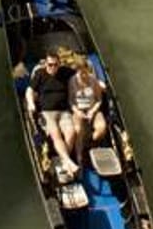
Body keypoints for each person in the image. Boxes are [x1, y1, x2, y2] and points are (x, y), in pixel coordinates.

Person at [25, 48, 79, 178]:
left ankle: (65, 162)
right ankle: (68, 162)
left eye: (55, 65)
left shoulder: (65, 72)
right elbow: (29, 91)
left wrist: (97, 82)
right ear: (46, 64)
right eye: (50, 65)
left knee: (71, 133)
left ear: (59, 64)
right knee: (56, 135)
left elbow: (81, 73)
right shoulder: (40, 74)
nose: (53, 67)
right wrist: (31, 103)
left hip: (64, 111)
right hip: (47, 113)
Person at [67, 60, 108, 167]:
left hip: (92, 109)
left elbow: (99, 100)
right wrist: (78, 112)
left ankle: (89, 144)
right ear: (77, 72)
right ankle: (79, 157)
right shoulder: (72, 81)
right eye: (81, 73)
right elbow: (71, 102)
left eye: (85, 72)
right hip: (79, 111)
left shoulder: (93, 80)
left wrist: (92, 111)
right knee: (78, 130)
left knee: (102, 128)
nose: (84, 75)